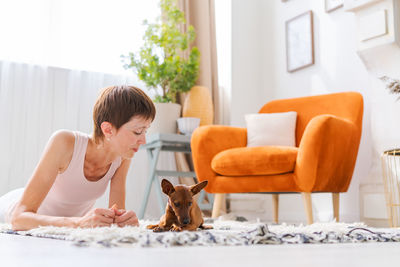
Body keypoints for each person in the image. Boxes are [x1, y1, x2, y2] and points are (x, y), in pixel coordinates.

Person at [0, 85, 155, 231]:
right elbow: (18, 219)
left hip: (65, 224)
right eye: (137, 131)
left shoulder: (123, 155)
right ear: (108, 130)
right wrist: (78, 223)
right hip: (14, 209)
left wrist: (125, 221)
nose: (143, 141)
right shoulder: (65, 142)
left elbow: (117, 216)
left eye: (145, 131)